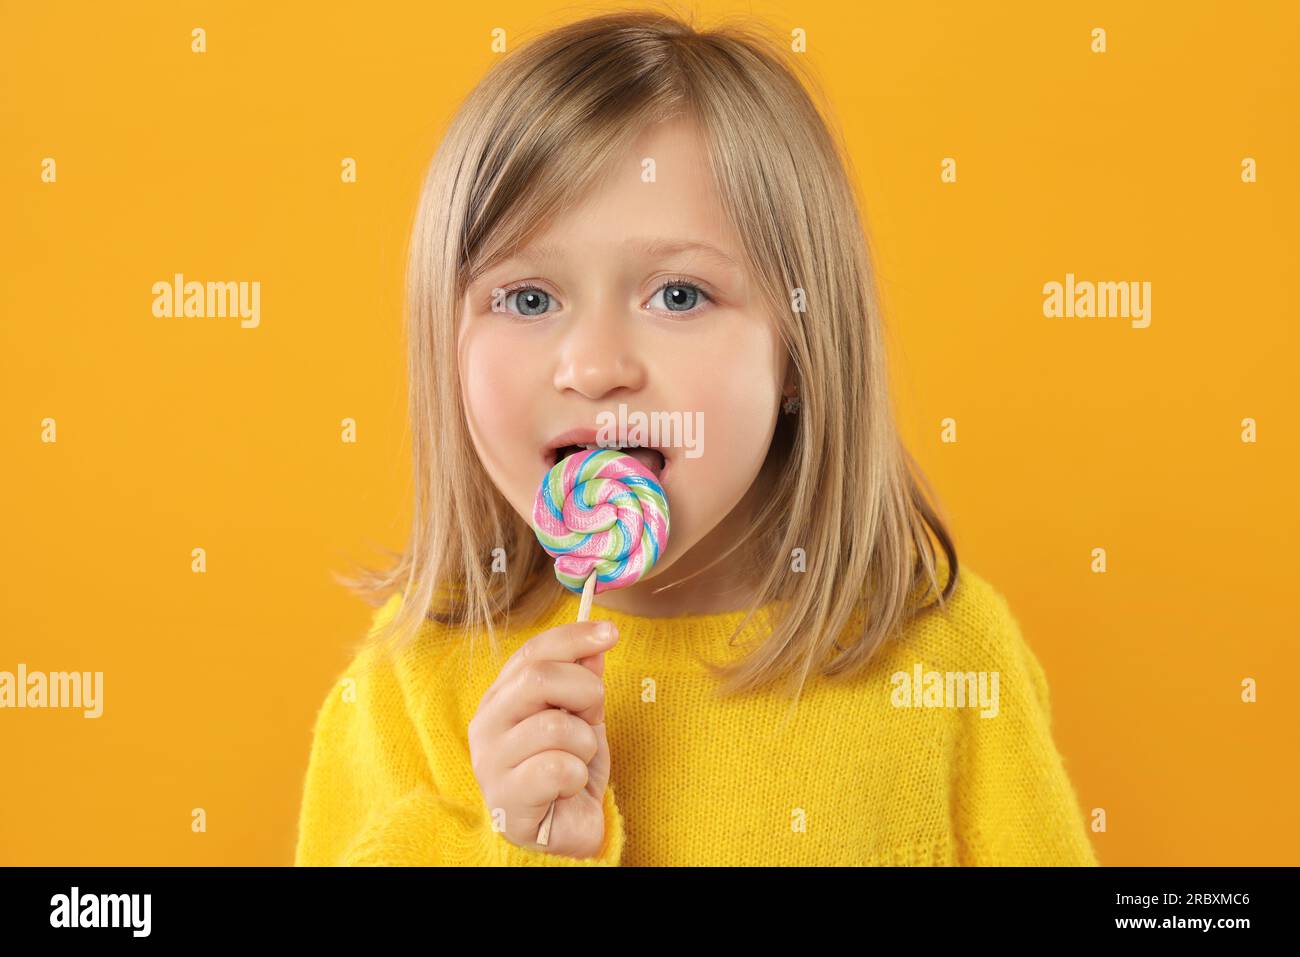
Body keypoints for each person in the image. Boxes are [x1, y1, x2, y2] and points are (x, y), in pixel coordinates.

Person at [293, 10, 1097, 866]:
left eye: (678, 295)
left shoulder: (946, 662)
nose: (595, 366)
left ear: (799, 348)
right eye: (529, 298)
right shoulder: (413, 674)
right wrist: (520, 847)